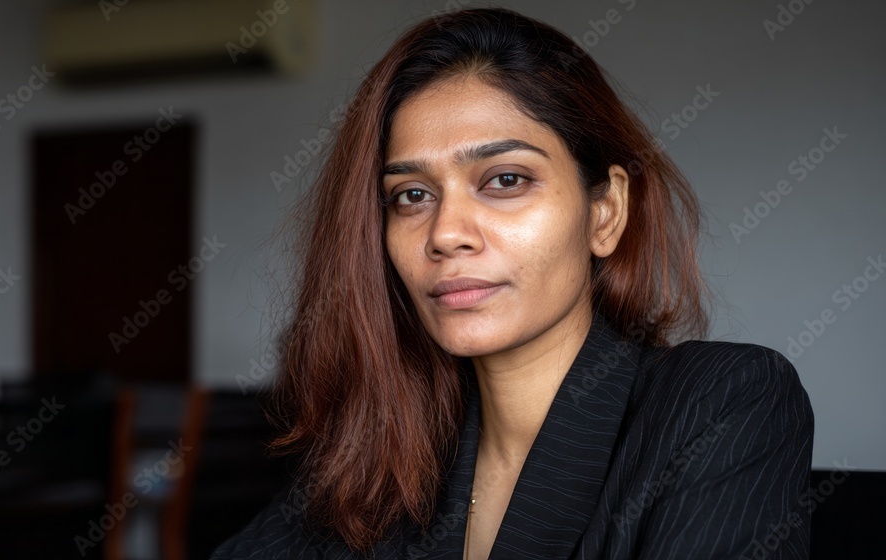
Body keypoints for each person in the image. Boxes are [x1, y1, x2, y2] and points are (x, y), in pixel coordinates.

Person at [212, 7, 814, 560]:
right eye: (412, 195)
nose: (446, 233)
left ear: (604, 214)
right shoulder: (385, 453)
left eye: (505, 180)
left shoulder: (722, 400)